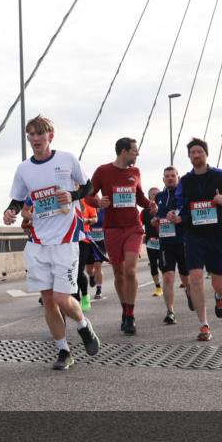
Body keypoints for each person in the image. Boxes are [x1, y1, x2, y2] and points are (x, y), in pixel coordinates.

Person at [3, 115, 100, 370]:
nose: (35, 139)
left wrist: (72, 195)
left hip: (66, 239)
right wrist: (10, 211)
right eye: (31, 135)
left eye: (39, 134)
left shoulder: (67, 159)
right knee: (47, 299)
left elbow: (89, 188)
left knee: (60, 297)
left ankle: (83, 325)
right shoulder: (23, 169)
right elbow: (17, 199)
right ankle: (63, 351)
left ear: (50, 136)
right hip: (38, 241)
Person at [165, 138, 222, 341]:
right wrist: (178, 217)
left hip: (217, 236)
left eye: (199, 152)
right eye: (192, 153)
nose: (196, 155)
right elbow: (183, 208)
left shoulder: (220, 176)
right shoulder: (185, 182)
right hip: (194, 237)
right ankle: (204, 325)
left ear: (206, 154)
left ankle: (220, 296)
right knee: (196, 279)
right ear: (189, 157)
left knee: (218, 283)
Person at [85, 137, 156, 335]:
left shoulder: (135, 172)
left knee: (130, 270)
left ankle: (131, 315)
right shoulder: (103, 171)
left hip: (133, 227)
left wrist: (149, 203)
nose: (137, 154)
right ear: (123, 151)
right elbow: (88, 196)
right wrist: (97, 203)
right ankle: (124, 310)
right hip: (113, 229)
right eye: (135, 150)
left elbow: (139, 196)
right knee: (118, 272)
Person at [153, 166, 193, 325]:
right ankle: (170, 312)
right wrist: (155, 219)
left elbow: (189, 214)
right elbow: (159, 214)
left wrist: (178, 217)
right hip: (165, 243)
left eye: (172, 176)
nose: (170, 178)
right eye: (167, 176)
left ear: (178, 177)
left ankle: (190, 294)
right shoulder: (160, 197)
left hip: (182, 241)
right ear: (163, 179)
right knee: (168, 277)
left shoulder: (184, 195)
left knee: (186, 278)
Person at [75, 199, 99, 312]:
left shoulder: (87, 201)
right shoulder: (64, 199)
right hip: (68, 241)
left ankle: (84, 296)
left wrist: (86, 221)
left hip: (83, 240)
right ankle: (75, 297)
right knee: (72, 270)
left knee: (79, 270)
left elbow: (95, 219)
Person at [141, 186, 164, 297]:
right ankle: (158, 288)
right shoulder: (145, 211)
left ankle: (167, 284)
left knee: (163, 266)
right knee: (153, 266)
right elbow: (139, 225)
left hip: (163, 242)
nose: (155, 196)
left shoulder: (164, 208)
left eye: (157, 194)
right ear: (149, 196)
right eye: (153, 194)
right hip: (151, 242)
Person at [88, 208, 107, 299]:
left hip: (101, 242)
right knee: (89, 269)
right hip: (89, 241)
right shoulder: (89, 209)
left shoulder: (105, 211)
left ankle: (99, 289)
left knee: (98, 265)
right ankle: (91, 276)